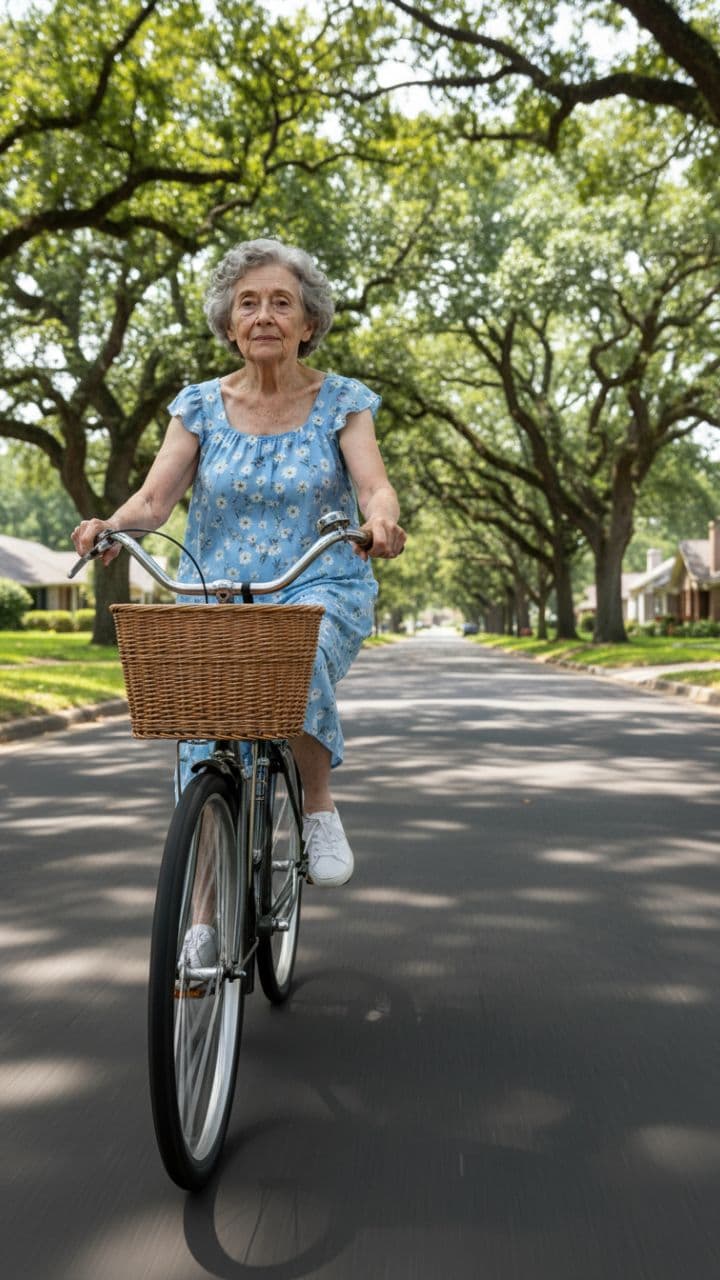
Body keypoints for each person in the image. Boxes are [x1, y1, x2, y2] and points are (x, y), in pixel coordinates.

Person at [71, 237, 406, 896]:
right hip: (215, 589)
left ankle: (317, 806)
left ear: (308, 323)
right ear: (228, 323)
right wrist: (112, 525)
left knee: (295, 654)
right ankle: (199, 921)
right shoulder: (198, 405)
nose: (264, 316)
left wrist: (383, 521)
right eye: (248, 303)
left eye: (282, 303)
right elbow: (154, 499)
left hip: (316, 579)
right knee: (203, 742)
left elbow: (374, 487)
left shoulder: (343, 401)